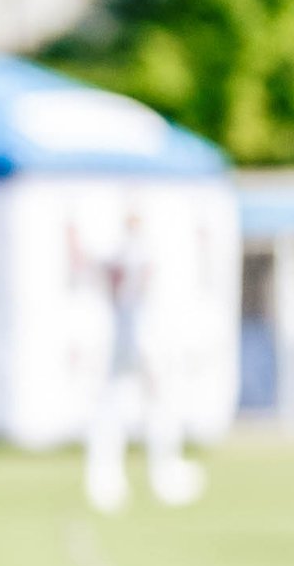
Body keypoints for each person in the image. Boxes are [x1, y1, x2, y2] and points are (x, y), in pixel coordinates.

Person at [81, 210, 205, 511]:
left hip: (128, 337)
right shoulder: (140, 254)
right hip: (140, 338)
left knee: (120, 407)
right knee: (150, 407)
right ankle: (155, 475)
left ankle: (112, 478)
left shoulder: (118, 254)